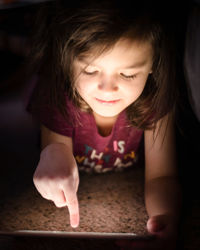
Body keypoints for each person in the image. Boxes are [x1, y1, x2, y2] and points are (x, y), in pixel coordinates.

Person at [28, 0, 181, 249]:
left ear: (153, 65)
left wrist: (164, 219)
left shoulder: (156, 101)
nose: (107, 89)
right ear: (68, 62)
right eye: (89, 70)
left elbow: (162, 176)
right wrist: (53, 154)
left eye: (128, 74)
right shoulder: (57, 94)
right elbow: (55, 151)